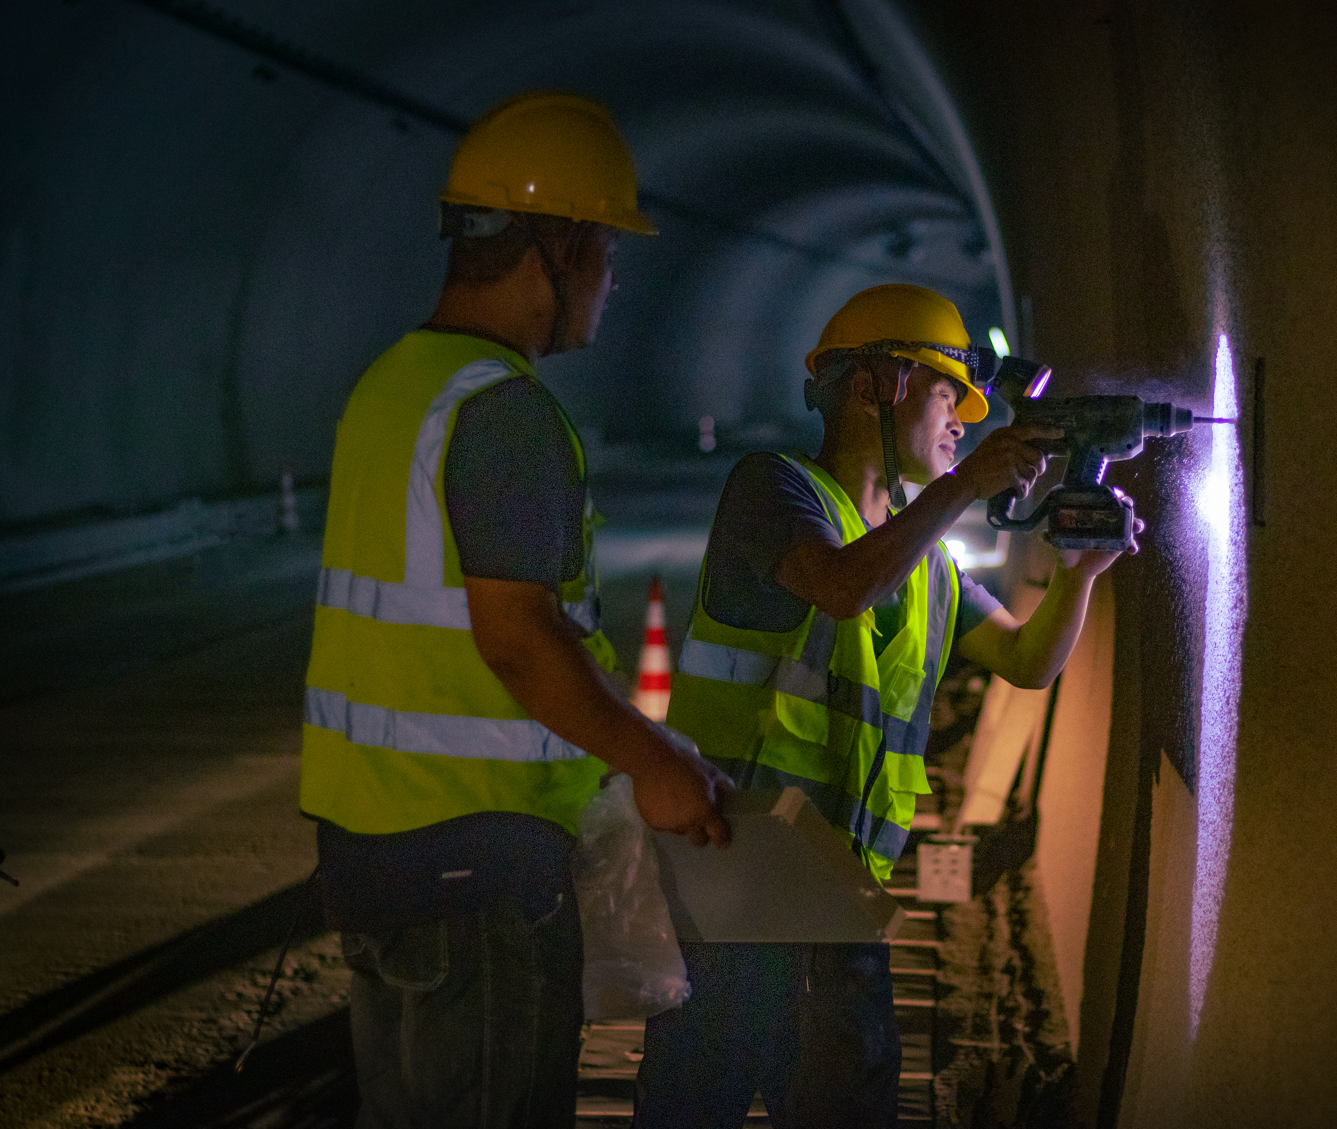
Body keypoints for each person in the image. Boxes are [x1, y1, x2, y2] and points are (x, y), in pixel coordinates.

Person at [299, 92, 734, 1129]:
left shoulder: (393, 387)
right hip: (475, 869)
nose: (611, 282)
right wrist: (655, 762)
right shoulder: (504, 411)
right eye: (608, 254)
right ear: (559, 244)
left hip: (373, 846)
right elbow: (519, 640)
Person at [633, 283, 1121, 1128]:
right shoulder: (773, 489)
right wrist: (967, 484)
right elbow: (838, 585)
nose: (961, 422)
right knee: (699, 1091)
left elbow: (1024, 661)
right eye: (944, 394)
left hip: (840, 883)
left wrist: (1080, 572)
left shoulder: (926, 562)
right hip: (739, 868)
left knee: (846, 1092)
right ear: (872, 388)